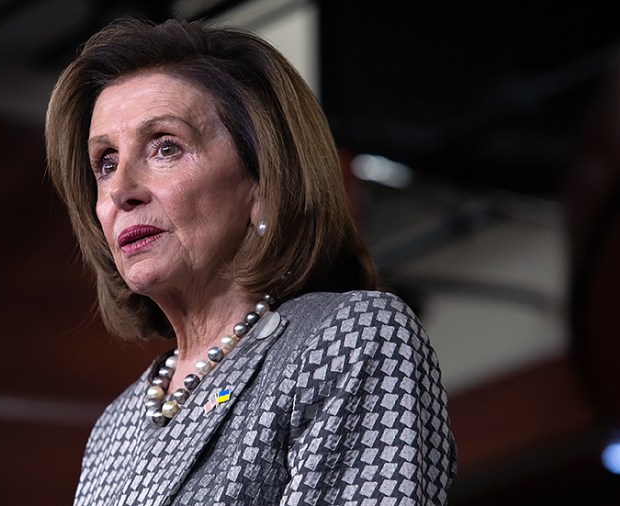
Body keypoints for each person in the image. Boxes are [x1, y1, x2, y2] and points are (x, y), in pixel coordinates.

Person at [45, 17, 457, 505]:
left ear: (261, 183)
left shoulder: (351, 337)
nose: (121, 191)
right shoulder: (114, 430)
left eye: (165, 147)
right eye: (106, 163)